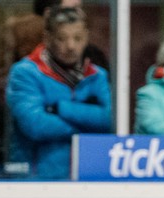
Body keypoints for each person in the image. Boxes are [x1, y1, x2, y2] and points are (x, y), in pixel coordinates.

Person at [6, 5, 111, 180]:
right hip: (36, 178)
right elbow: (35, 124)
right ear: (48, 38)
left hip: (89, 174)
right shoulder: (25, 72)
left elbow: (109, 119)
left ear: (86, 37)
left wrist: (61, 108)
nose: (71, 46)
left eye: (77, 38)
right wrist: (88, 127)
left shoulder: (97, 75)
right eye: (62, 38)